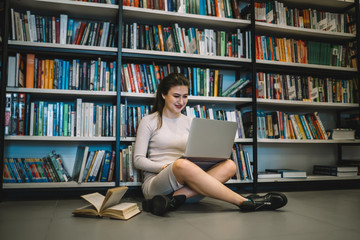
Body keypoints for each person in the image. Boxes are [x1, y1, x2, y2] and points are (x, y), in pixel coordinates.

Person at [134, 73, 287, 216]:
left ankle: (173, 201)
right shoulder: (150, 121)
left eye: (185, 96)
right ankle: (244, 201)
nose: (181, 102)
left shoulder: (190, 122)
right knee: (181, 165)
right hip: (158, 184)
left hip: (189, 185)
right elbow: (138, 160)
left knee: (230, 165)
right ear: (163, 94)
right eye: (176, 96)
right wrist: (166, 167)